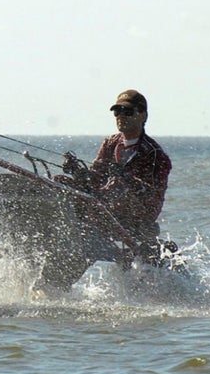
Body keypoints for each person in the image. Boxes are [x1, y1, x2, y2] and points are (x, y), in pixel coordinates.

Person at [59, 89, 172, 263]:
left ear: (143, 115)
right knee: (59, 183)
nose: (121, 116)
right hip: (104, 205)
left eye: (127, 112)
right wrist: (77, 172)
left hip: (138, 214)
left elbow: (151, 195)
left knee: (116, 185)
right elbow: (94, 178)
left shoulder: (155, 155)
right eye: (117, 112)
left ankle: (108, 246)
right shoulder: (110, 143)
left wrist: (125, 178)